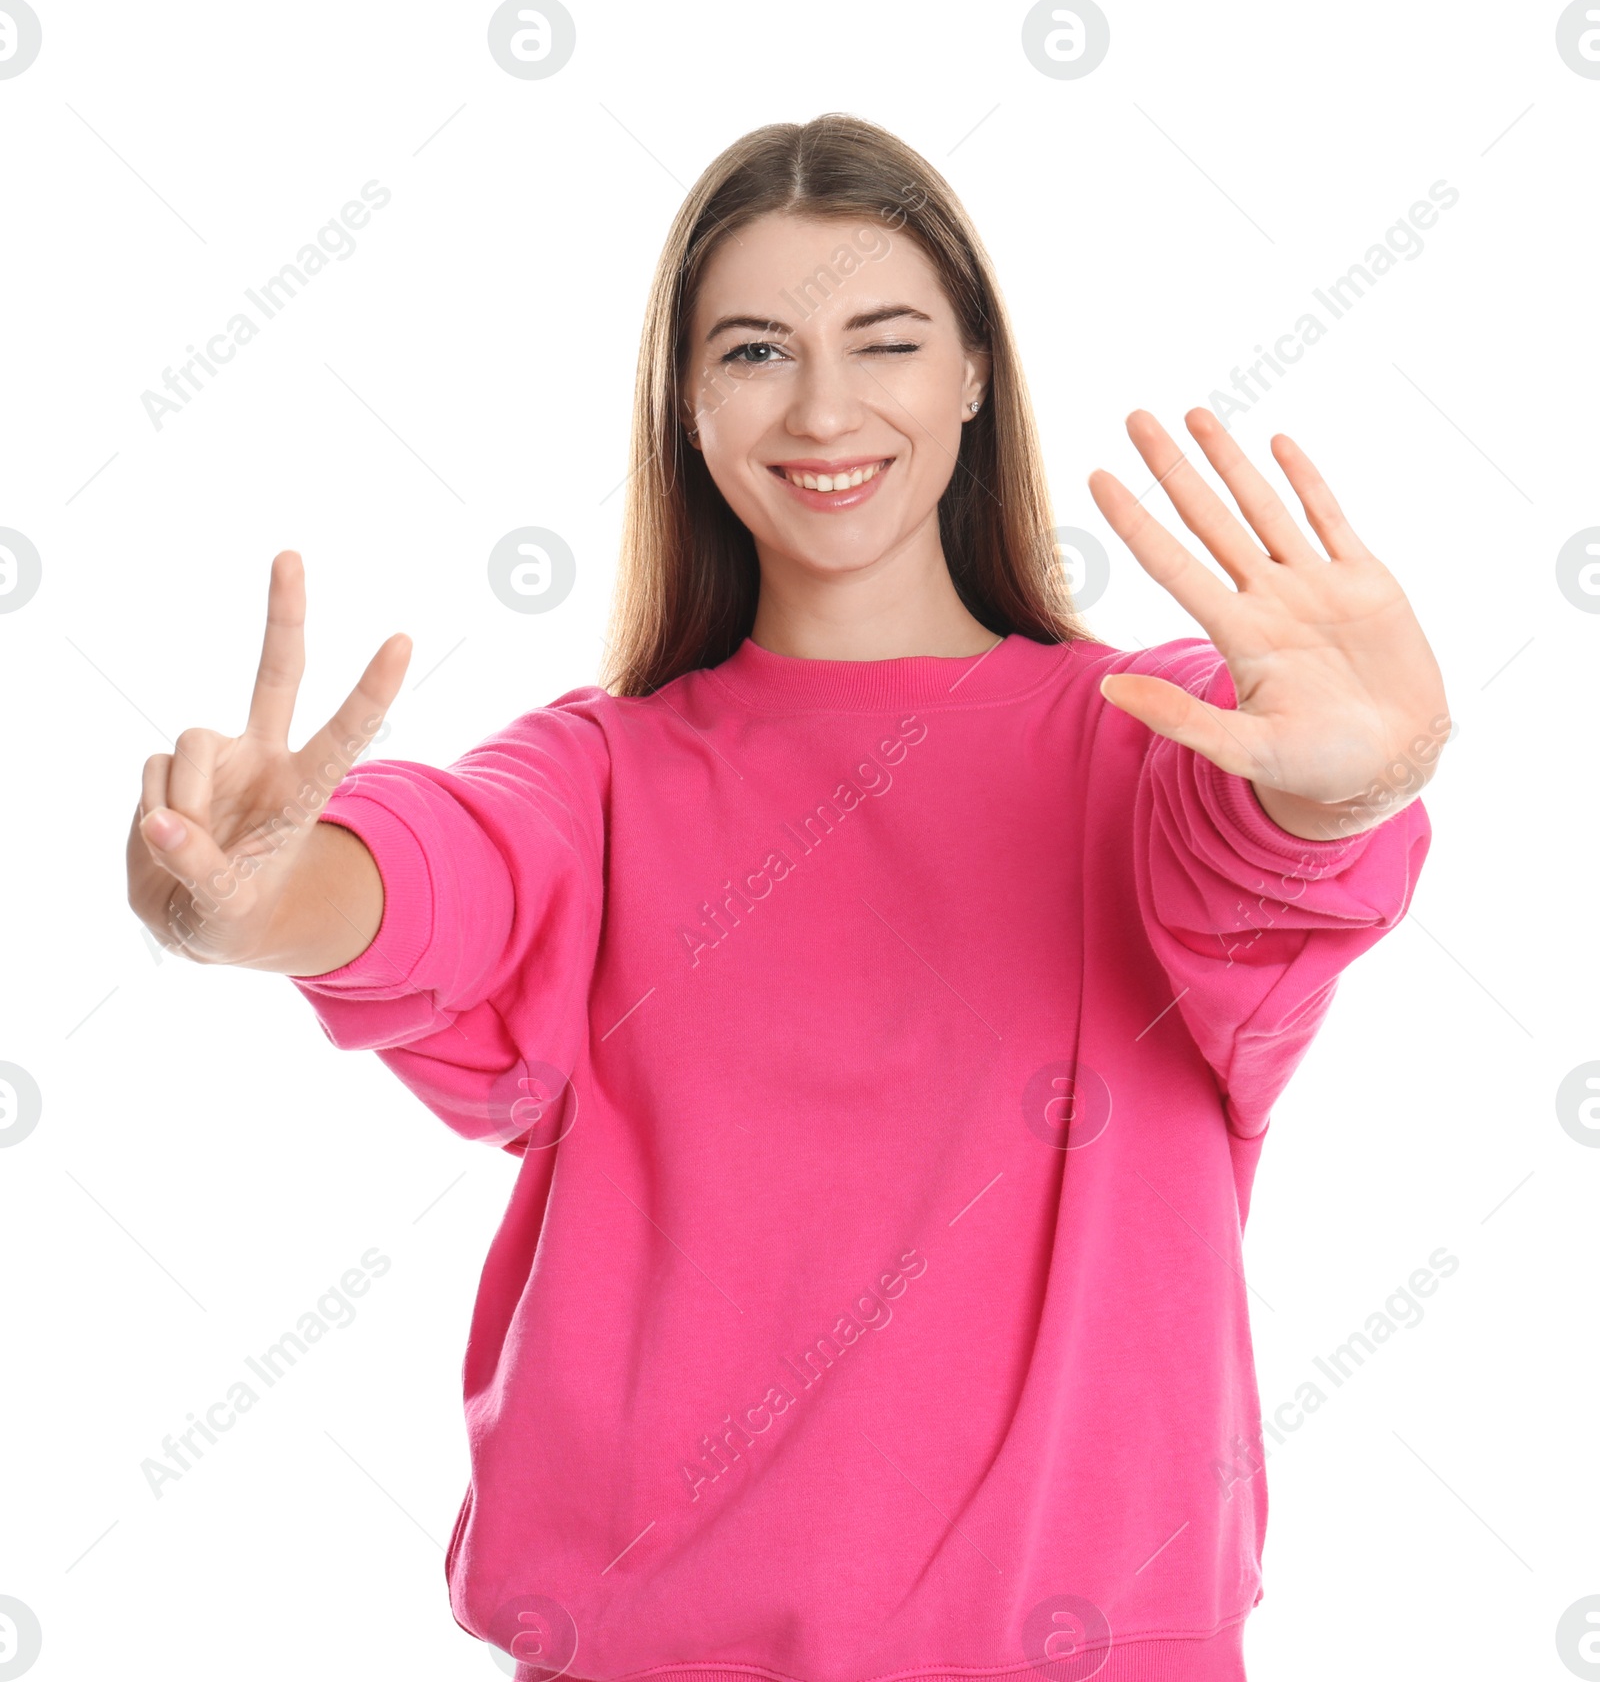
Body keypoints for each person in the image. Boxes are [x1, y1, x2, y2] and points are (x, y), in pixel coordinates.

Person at [126, 114, 1447, 1682]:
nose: (825, 405)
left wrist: (1355, 778)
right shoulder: (598, 780)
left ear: (973, 374)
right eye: (756, 351)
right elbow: (430, 878)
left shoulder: (1148, 740)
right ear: (686, 404)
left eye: (885, 342)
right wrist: (254, 902)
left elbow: (1266, 845)